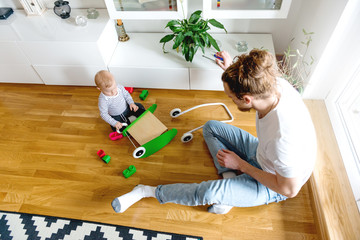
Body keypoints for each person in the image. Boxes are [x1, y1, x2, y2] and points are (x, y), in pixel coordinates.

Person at [111, 49, 317, 214]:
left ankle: (145, 191)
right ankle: (230, 185)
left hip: (274, 183)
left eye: (231, 97)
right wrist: (232, 69)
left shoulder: (282, 139)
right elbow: (250, 83)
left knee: (208, 191)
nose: (230, 99)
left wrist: (242, 165)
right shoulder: (274, 84)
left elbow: (289, 190)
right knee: (211, 127)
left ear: (247, 99)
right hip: (263, 154)